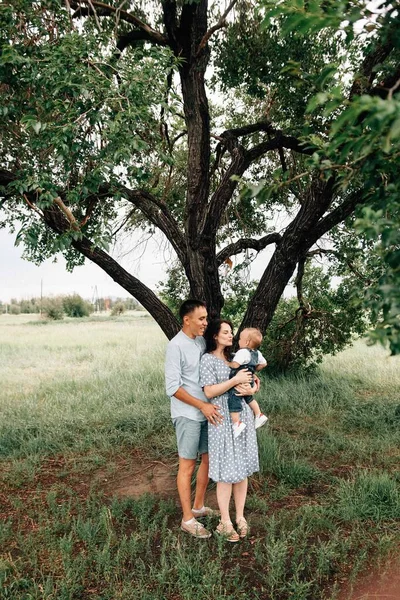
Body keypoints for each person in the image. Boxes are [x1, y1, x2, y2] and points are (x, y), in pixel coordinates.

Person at [165, 299, 223, 539]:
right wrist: (201, 405)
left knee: (207, 460)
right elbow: (173, 387)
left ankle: (198, 506)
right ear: (186, 319)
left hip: (205, 412)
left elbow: (215, 365)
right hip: (187, 415)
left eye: (206, 318)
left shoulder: (200, 342)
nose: (205, 323)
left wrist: (246, 378)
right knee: (187, 465)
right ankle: (187, 519)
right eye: (201, 319)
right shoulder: (175, 346)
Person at [200, 319, 260, 543]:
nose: (230, 335)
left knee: (241, 467)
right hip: (222, 418)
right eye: (225, 332)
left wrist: (252, 386)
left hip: (242, 414)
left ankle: (240, 516)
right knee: (226, 469)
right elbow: (209, 392)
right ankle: (224, 520)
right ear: (215, 336)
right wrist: (235, 380)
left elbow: (252, 382)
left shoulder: (237, 357)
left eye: (232, 332)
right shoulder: (207, 360)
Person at [228, 327, 268, 438]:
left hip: (241, 379)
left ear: (246, 342)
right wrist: (255, 369)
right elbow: (264, 364)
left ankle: (237, 423)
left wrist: (228, 363)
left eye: (240, 338)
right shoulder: (257, 353)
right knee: (249, 398)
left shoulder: (242, 352)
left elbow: (235, 365)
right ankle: (259, 414)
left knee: (234, 397)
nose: (238, 340)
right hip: (249, 379)